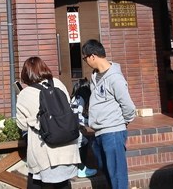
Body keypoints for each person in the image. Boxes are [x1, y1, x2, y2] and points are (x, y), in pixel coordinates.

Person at [15, 56, 80, 188]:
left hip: (45, 153)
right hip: (68, 150)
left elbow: (22, 125)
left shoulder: (25, 94)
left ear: (26, 74)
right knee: (64, 185)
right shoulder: (58, 83)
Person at [81, 40, 136, 189]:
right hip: (99, 132)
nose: (85, 62)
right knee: (106, 170)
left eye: (85, 58)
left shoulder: (115, 78)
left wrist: (121, 123)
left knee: (117, 175)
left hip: (113, 132)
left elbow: (129, 107)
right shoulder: (95, 76)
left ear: (93, 56)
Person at [69, 78, 97, 178]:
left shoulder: (74, 97)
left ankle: (80, 167)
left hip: (71, 128)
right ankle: (81, 168)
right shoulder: (80, 98)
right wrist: (88, 122)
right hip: (76, 130)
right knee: (83, 141)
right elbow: (78, 116)